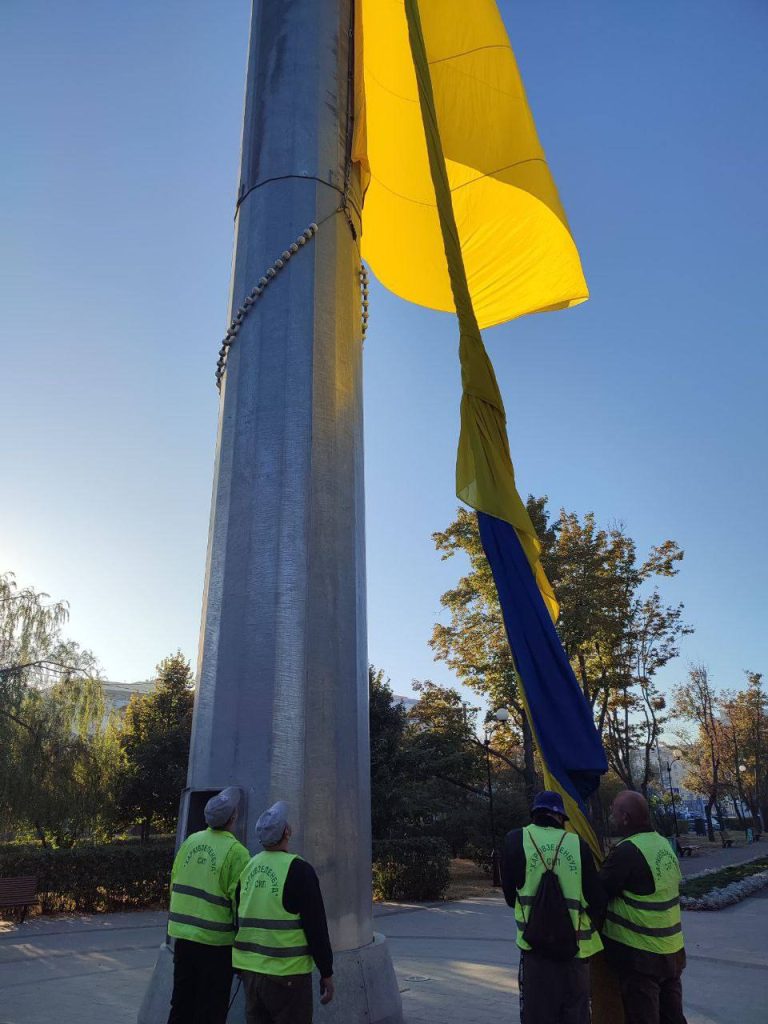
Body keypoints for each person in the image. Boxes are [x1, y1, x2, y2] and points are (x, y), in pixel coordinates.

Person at [501, 790, 605, 1024]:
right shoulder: (578, 844)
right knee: (575, 1013)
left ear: (535, 814)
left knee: (537, 1015)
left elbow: (510, 898)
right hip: (575, 952)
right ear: (561, 818)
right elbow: (597, 899)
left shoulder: (515, 840)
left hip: (534, 950)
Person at [234, 801, 334, 1024]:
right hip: (287, 975)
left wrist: (240, 968)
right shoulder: (299, 870)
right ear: (287, 832)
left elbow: (237, 918)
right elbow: (316, 927)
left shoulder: (248, 868)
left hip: (250, 973)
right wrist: (326, 972)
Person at [599, 790, 687, 1024]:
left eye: (614, 813)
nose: (612, 818)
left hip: (641, 956)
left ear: (626, 817)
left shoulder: (628, 851)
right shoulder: (662, 844)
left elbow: (599, 891)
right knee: (672, 1016)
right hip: (671, 951)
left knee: (643, 1017)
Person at [167, 787, 251, 1024]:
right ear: (233, 818)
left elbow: (175, 881)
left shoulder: (190, 841)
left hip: (183, 941)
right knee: (211, 1010)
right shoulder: (237, 852)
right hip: (216, 946)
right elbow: (241, 905)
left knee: (181, 1004)